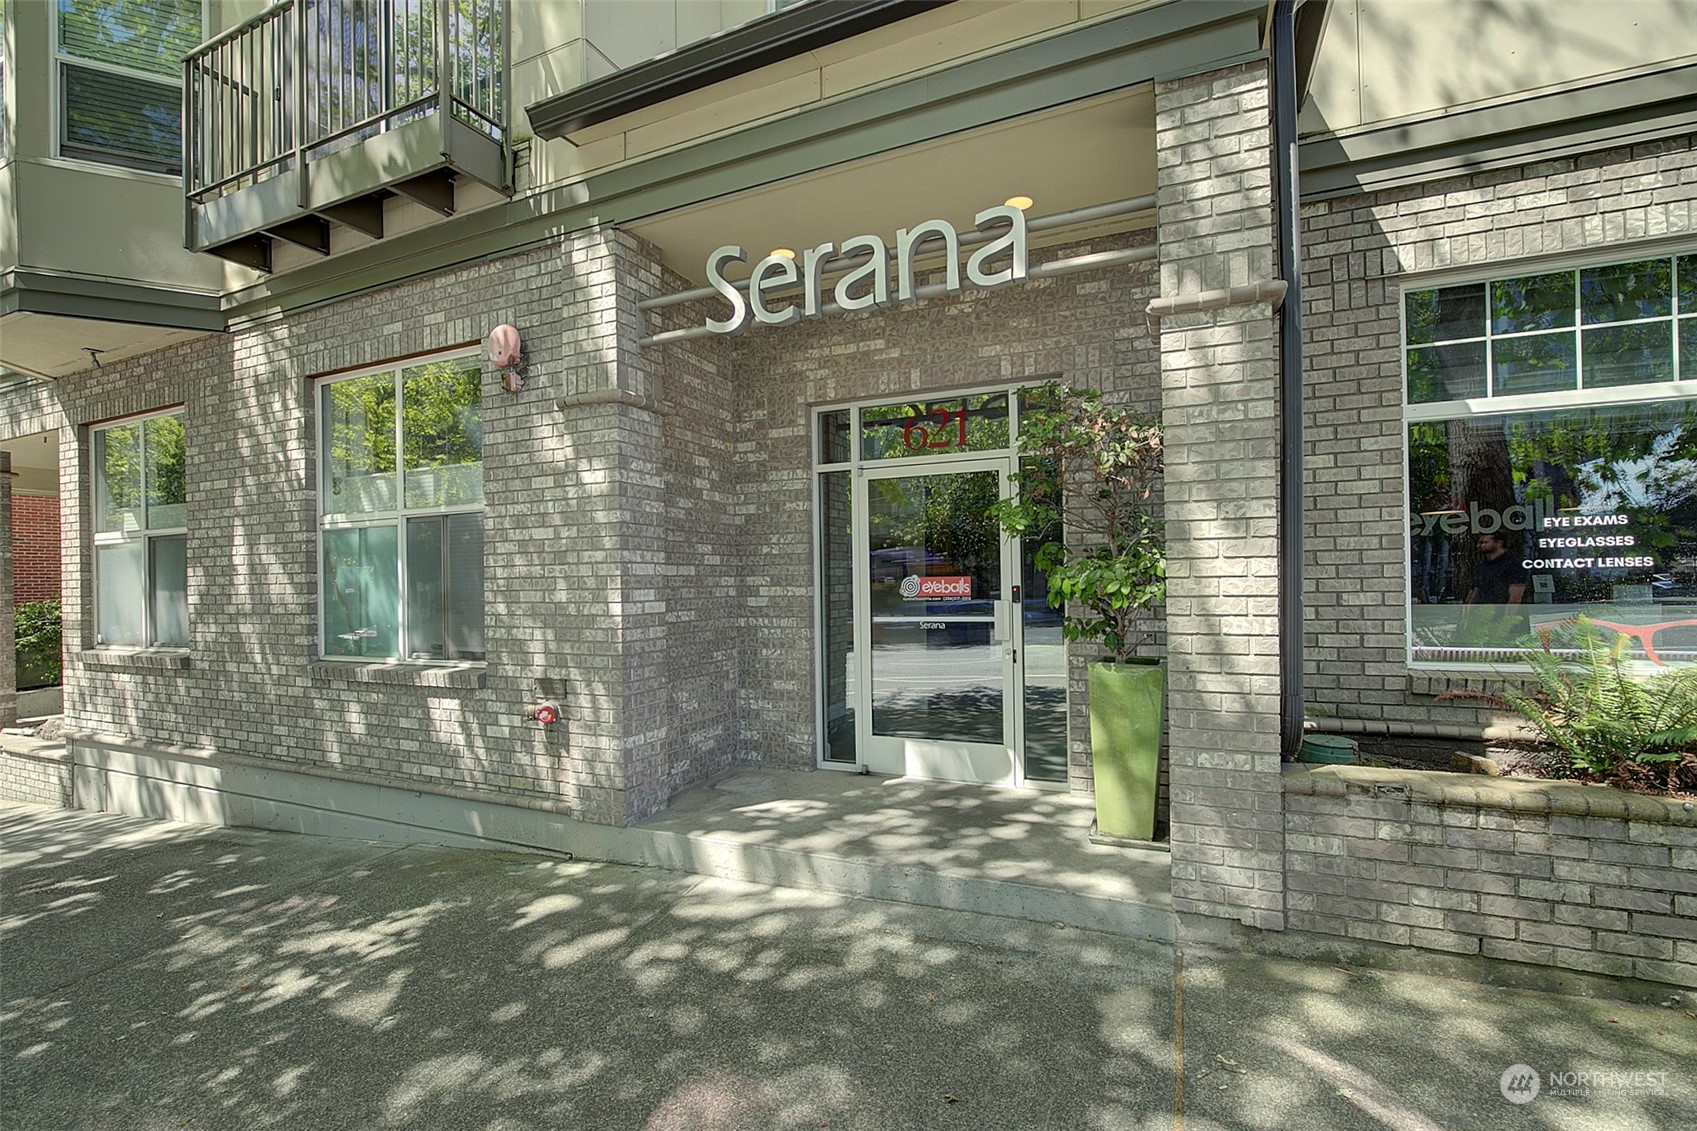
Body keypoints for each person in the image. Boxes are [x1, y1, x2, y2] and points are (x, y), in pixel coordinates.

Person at [1460, 531, 1529, 647]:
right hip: (1483, 618)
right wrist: (1466, 617)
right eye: (1480, 542)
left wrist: (1506, 625)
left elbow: (1515, 598)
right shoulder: (1481, 567)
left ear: (1499, 543)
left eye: (1485, 542)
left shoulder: (1513, 565)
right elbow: (1474, 591)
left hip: (1505, 619)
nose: (1480, 545)